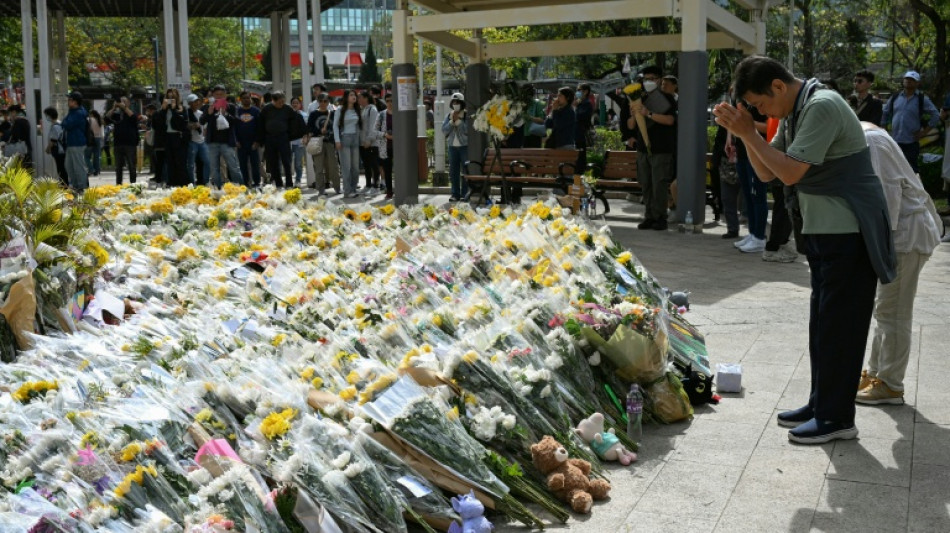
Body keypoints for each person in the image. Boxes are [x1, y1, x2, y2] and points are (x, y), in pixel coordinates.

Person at [714, 55, 896, 444]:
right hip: (825, 233)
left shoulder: (821, 105)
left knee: (840, 329)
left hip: (850, 232)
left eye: (761, 105)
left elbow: (791, 171)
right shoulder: (797, 111)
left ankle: (837, 418)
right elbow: (767, 172)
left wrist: (749, 133)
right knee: (823, 326)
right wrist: (749, 134)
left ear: (777, 87)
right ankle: (821, 404)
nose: (761, 112)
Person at [856, 121, 940, 404]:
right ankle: (877, 372)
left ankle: (891, 384)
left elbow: (884, 202)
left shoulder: (870, 142)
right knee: (886, 309)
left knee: (895, 312)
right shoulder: (867, 138)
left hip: (905, 237)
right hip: (899, 236)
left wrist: (873, 249)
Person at [630, 66, 677, 231]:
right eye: (645, 78)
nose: (648, 82)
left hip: (661, 148)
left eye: (652, 78)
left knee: (659, 184)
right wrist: (634, 114)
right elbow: (630, 126)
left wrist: (648, 114)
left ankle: (660, 217)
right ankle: (649, 216)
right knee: (646, 183)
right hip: (643, 148)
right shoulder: (638, 97)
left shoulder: (667, 99)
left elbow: (670, 120)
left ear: (659, 80)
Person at [730, 102, 770, 253]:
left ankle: (759, 237)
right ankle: (753, 233)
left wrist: (747, 124)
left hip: (757, 155)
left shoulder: (760, 104)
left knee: (758, 196)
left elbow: (767, 127)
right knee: (748, 196)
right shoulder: (742, 104)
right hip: (742, 154)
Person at [881, 70, 940, 173]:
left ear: (917, 83)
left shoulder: (922, 99)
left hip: (911, 142)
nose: (909, 81)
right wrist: (884, 130)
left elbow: (935, 114)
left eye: (912, 80)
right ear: (903, 81)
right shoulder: (895, 97)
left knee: (911, 171)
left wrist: (924, 133)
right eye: (907, 79)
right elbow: (885, 112)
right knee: (893, 170)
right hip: (894, 140)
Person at [200, 85, 244, 188]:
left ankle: (240, 188)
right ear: (213, 95)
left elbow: (237, 122)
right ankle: (218, 189)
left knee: (233, 167)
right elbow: (202, 121)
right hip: (212, 142)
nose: (219, 97)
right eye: (216, 95)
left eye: (221, 94)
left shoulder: (231, 107)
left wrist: (226, 114)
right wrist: (209, 113)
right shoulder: (208, 107)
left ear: (225, 95)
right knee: (214, 168)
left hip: (227, 142)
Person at [257, 90, 295, 188]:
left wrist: (290, 135)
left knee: (286, 161)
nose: (281, 104)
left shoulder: (288, 109)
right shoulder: (266, 109)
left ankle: (289, 183)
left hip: (283, 137)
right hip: (270, 138)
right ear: (273, 100)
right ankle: (278, 183)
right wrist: (261, 139)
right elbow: (260, 124)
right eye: (279, 102)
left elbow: (294, 122)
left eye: (283, 101)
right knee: (273, 162)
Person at [304, 93, 340, 195]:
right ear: (318, 102)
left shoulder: (332, 113)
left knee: (334, 166)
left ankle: (337, 187)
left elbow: (337, 126)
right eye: (321, 101)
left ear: (328, 102)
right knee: (319, 167)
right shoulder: (313, 114)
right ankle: (321, 189)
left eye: (325, 101)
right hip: (317, 142)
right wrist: (319, 130)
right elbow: (309, 128)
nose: (323, 103)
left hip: (330, 142)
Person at [152, 88, 189, 187]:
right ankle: (171, 183)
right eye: (168, 97)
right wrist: (163, 110)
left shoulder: (182, 109)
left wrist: (173, 109)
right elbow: (157, 125)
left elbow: (181, 124)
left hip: (178, 137)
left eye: (172, 97)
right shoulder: (163, 110)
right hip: (167, 137)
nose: (170, 99)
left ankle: (182, 183)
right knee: (170, 161)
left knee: (180, 161)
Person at [333, 89, 362, 198]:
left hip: (355, 138)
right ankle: (347, 190)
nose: (354, 97)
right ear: (346, 97)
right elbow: (335, 125)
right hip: (344, 138)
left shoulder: (357, 109)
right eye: (351, 95)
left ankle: (353, 188)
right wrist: (337, 140)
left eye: (354, 95)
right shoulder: (340, 109)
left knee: (355, 166)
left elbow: (359, 126)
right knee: (346, 167)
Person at [442, 92, 469, 202]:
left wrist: (458, 121)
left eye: (458, 102)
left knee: (466, 170)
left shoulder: (466, 115)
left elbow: (467, 130)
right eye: (454, 102)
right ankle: (455, 193)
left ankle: (465, 193)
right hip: (452, 146)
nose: (455, 104)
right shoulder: (448, 116)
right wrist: (452, 121)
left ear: (462, 103)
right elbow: (444, 130)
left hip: (464, 147)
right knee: (454, 172)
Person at [109, 97, 140, 185]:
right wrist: (114, 107)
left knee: (131, 165)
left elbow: (134, 118)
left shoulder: (131, 112)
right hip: (118, 143)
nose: (121, 103)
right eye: (120, 101)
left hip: (130, 143)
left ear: (128, 103)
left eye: (124, 101)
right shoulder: (116, 114)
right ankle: (118, 184)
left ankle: (133, 184)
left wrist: (124, 108)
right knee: (118, 167)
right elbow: (106, 119)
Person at [62, 92, 89, 191]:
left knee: (78, 166)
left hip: (77, 143)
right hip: (71, 143)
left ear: (75, 102)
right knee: (69, 165)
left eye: (70, 100)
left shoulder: (78, 113)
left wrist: (65, 121)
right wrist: (65, 121)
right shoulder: (73, 111)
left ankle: (81, 187)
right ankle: (75, 185)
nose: (68, 102)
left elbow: (66, 124)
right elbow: (64, 122)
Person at [235, 91, 262, 187]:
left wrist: (257, 141)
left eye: (247, 98)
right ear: (240, 99)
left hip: (253, 142)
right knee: (242, 164)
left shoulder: (256, 111)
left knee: (255, 164)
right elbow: (234, 127)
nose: (246, 100)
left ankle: (257, 182)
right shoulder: (237, 111)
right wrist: (236, 140)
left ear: (250, 99)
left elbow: (260, 127)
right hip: (241, 143)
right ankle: (245, 183)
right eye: (244, 98)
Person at [185, 94, 211, 186]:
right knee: (191, 164)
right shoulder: (186, 114)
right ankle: (192, 183)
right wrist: (192, 126)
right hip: (192, 141)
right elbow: (186, 126)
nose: (197, 103)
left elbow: (205, 127)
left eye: (197, 101)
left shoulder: (201, 114)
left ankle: (206, 181)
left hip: (202, 141)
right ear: (189, 103)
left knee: (207, 162)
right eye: (194, 102)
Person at [358, 90, 381, 194]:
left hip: (372, 143)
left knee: (374, 164)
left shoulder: (372, 109)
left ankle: (376, 186)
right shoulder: (363, 109)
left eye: (360, 97)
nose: (358, 100)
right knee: (366, 164)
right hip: (362, 142)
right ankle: (368, 185)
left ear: (366, 98)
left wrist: (369, 140)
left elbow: (373, 126)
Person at [43, 107, 67, 187]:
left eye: (46, 115)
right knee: (61, 168)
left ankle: (64, 185)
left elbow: (53, 140)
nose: (46, 117)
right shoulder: (58, 124)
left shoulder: (56, 126)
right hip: (60, 150)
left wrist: (48, 148)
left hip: (59, 151)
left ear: (50, 115)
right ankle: (63, 184)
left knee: (61, 169)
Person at [574, 84, 594, 171]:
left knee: (580, 158)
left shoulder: (587, 104)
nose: (577, 92)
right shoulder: (580, 103)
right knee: (576, 158)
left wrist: (575, 108)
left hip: (581, 135)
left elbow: (581, 117)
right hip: (576, 135)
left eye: (579, 90)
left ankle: (579, 178)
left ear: (586, 91)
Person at [290, 97, 307, 187]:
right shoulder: (287, 115)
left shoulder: (303, 115)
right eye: (293, 103)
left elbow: (305, 129)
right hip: (288, 143)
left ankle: (298, 180)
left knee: (298, 163)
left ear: (300, 105)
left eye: (297, 103)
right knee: (287, 162)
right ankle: (289, 180)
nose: (295, 104)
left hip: (299, 142)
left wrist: (305, 138)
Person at [380, 93, 394, 199]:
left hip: (399, 146)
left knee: (400, 169)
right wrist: (385, 135)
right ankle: (389, 191)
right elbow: (374, 131)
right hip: (386, 146)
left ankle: (400, 189)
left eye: (392, 100)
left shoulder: (400, 114)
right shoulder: (381, 115)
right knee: (387, 170)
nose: (390, 103)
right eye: (388, 101)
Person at [85, 109, 103, 176]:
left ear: (91, 114)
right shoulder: (99, 120)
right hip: (98, 138)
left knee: (86, 156)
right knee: (96, 156)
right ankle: (97, 170)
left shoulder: (89, 120)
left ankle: (91, 169)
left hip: (91, 139)